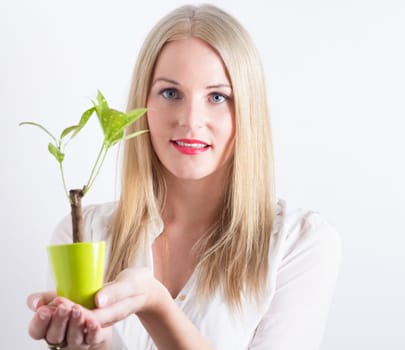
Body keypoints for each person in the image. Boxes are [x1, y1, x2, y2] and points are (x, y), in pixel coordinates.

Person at [27, 4, 341, 350]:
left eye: (217, 97)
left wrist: (157, 308)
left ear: (247, 112)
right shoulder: (84, 235)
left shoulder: (298, 244)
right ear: (142, 102)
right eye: (170, 93)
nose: (191, 120)